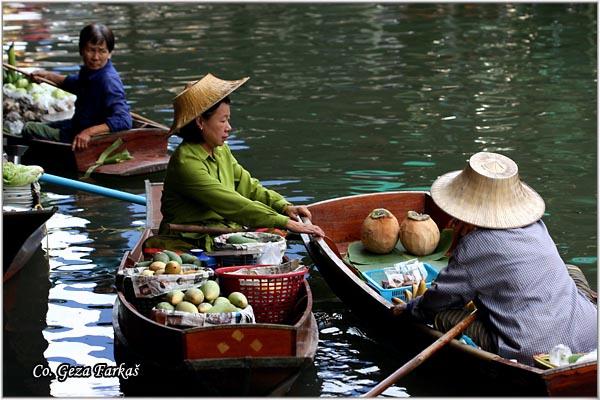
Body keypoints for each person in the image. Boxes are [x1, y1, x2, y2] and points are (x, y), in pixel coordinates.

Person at [392, 151, 597, 366]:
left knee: (443, 316)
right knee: (570, 269)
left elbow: (439, 299)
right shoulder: (536, 226)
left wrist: (408, 310)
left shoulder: (475, 245)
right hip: (590, 331)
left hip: (533, 350)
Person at [157, 73, 325, 251]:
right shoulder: (186, 163)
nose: (228, 127)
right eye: (223, 120)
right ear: (200, 122)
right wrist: (285, 223)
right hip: (190, 241)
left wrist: (283, 206)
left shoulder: (221, 149)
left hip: (222, 231)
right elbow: (234, 204)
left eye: (228, 119)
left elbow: (249, 187)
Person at [22, 23, 132, 150]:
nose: (96, 57)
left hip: (88, 136)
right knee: (43, 124)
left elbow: (124, 120)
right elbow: (76, 83)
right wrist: (47, 76)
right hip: (77, 125)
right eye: (91, 50)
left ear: (109, 53)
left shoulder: (108, 80)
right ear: (81, 50)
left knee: (29, 128)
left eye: (102, 51)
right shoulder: (92, 72)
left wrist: (88, 133)